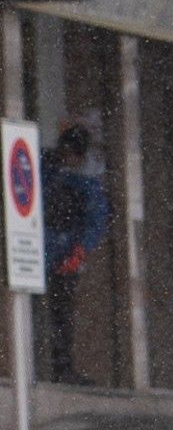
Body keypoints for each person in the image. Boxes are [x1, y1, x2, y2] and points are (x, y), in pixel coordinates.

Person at [37, 124, 111, 384]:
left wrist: (78, 253)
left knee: (60, 314)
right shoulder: (48, 168)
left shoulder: (84, 181)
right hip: (42, 254)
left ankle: (60, 367)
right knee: (49, 313)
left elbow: (95, 220)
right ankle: (51, 367)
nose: (68, 158)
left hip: (59, 258)